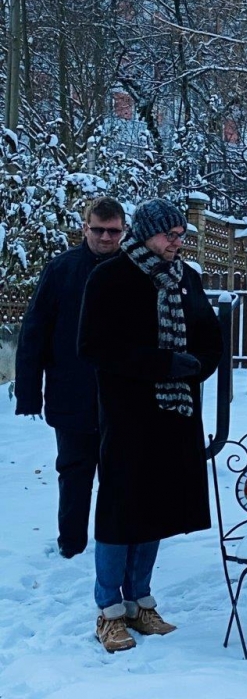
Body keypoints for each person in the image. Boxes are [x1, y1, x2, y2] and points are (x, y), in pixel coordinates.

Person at [78, 199, 222, 653]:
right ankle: (109, 610)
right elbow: (94, 347)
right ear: (145, 234)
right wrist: (160, 363)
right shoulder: (111, 277)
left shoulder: (187, 279)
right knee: (121, 510)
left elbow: (210, 339)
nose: (176, 243)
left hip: (175, 415)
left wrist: (196, 366)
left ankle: (140, 601)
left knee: (155, 507)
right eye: (169, 235)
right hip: (128, 413)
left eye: (181, 235)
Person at [15, 196, 126, 558]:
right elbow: (34, 331)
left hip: (123, 397)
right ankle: (71, 545)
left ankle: (117, 542)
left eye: (114, 231)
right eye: (99, 230)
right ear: (84, 228)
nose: (106, 238)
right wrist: (29, 393)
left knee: (119, 477)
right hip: (72, 391)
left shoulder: (134, 272)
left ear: (124, 231)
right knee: (75, 473)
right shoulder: (62, 270)